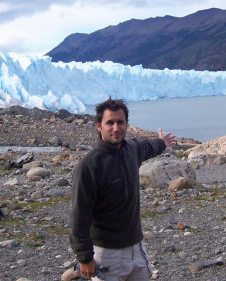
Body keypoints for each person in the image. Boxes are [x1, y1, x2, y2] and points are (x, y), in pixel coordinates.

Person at [69, 97, 176, 280]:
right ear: (98, 125)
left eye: (120, 122)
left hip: (136, 247)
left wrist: (162, 142)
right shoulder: (88, 166)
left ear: (127, 124)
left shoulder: (131, 150)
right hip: (106, 253)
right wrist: (85, 257)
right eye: (110, 123)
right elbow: (79, 216)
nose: (116, 128)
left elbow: (148, 146)